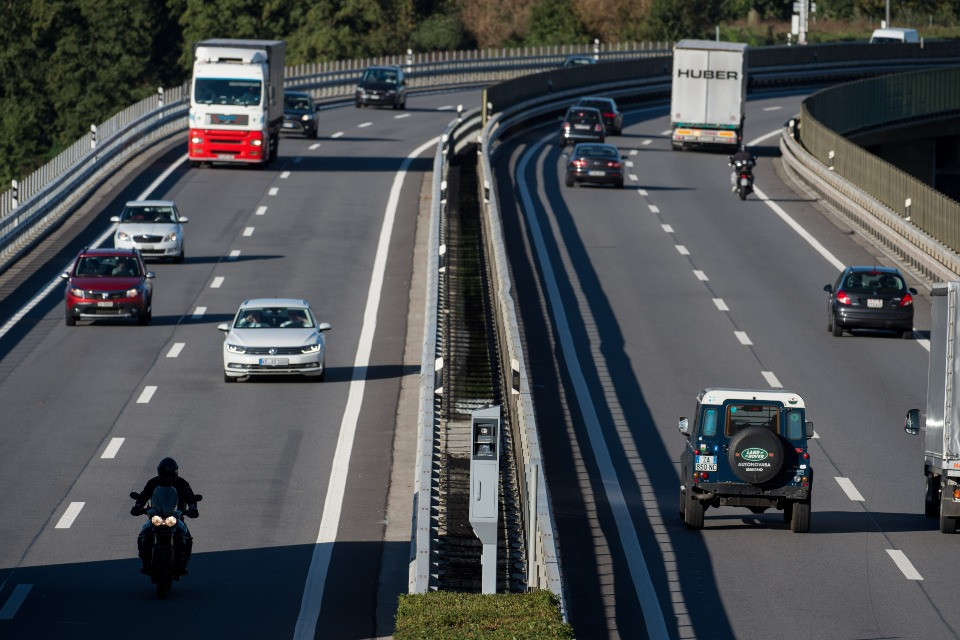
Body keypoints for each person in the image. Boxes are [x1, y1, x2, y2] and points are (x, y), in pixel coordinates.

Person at [130, 457, 199, 577]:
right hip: (156, 516)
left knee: (186, 536)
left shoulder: (182, 483)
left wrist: (193, 508)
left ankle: (182, 563)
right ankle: (146, 561)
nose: (168, 478)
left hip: (175, 517)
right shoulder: (153, 483)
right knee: (143, 534)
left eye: (170, 475)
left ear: (175, 473)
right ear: (160, 474)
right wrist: (138, 506)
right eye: (165, 475)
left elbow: (190, 496)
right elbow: (143, 495)